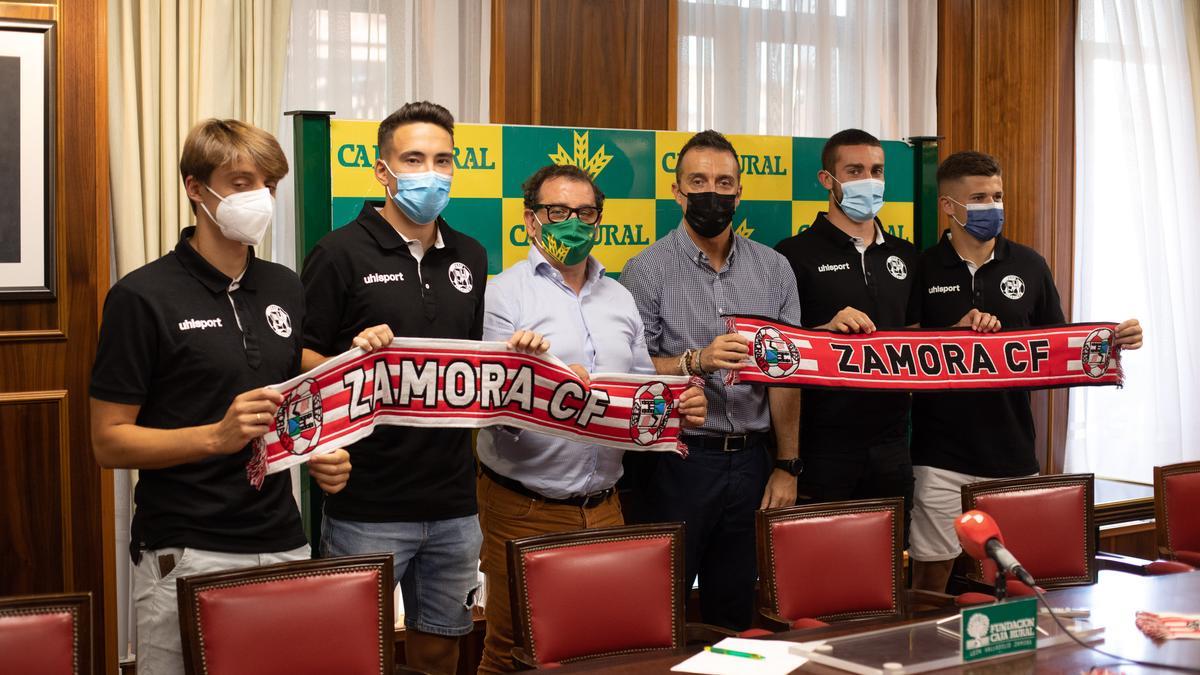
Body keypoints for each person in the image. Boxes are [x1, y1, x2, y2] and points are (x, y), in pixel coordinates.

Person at [89, 119, 353, 675]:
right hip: (187, 549)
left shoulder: (284, 285)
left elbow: (288, 402)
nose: (258, 197)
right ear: (194, 187)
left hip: (283, 539)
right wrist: (216, 436)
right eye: (240, 182)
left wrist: (318, 450)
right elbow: (109, 442)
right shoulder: (141, 296)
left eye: (269, 185)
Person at [299, 101, 544, 675]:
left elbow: (475, 362)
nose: (429, 172)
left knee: (441, 649)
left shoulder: (472, 254)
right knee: (355, 655)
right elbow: (300, 358)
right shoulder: (338, 253)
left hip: (456, 501)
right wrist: (353, 356)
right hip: (367, 501)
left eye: (442, 159)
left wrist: (521, 359)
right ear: (383, 171)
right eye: (413, 159)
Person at [475, 163, 707, 672]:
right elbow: (487, 408)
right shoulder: (504, 293)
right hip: (524, 504)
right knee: (511, 647)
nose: (572, 222)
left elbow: (643, 392)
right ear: (531, 219)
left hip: (606, 503)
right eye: (557, 211)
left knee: (595, 644)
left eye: (584, 212)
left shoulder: (620, 296)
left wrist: (682, 405)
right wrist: (538, 379)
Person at [908, 151, 1144, 592]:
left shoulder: (1030, 265)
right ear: (948, 206)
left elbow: (1060, 344)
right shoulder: (921, 267)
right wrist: (950, 334)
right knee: (929, 576)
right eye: (979, 197)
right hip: (938, 455)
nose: (992, 206)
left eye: (997, 195)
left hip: (1013, 451)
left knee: (1015, 574)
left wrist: (1112, 340)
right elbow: (895, 349)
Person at [620, 130, 803, 631]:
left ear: (740, 192)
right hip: (675, 463)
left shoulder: (775, 269)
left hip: (751, 462)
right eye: (698, 181)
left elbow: (788, 377)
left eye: (724, 183)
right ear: (677, 192)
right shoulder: (646, 270)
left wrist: (787, 464)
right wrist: (694, 361)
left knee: (734, 609)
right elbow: (631, 372)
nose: (712, 193)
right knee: (659, 608)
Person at [774, 128, 919, 524]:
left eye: (876, 170)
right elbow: (776, 350)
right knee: (819, 568)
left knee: (888, 573)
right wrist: (824, 331)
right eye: (854, 170)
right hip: (823, 446)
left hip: (893, 444)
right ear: (828, 180)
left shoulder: (906, 254)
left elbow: (920, 338)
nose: (868, 181)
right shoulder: (792, 254)